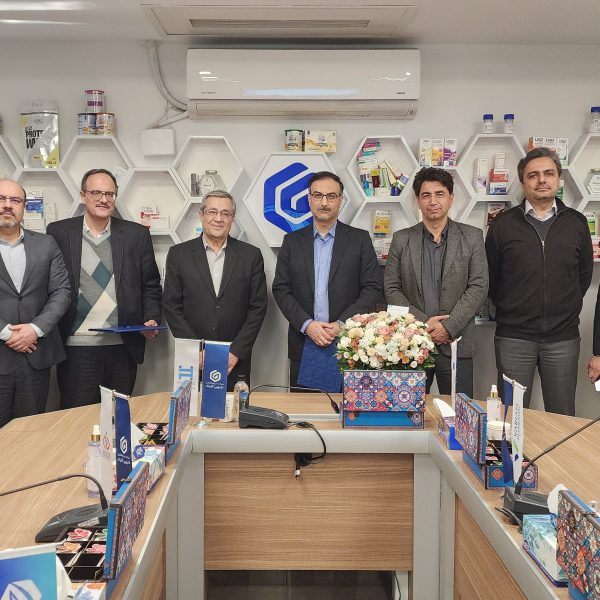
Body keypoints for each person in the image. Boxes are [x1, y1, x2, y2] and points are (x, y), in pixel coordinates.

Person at [486, 147, 593, 415]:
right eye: (533, 175)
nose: (542, 180)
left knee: (562, 416)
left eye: (549, 173)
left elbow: (583, 277)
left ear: (558, 179)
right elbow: (492, 278)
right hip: (514, 337)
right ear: (523, 183)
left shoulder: (577, 223)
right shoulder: (502, 225)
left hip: (562, 338)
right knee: (511, 416)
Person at [46, 168, 162, 408]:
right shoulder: (58, 232)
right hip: (75, 346)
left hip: (122, 346)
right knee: (76, 419)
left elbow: (150, 284)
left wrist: (151, 318)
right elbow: (50, 284)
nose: (104, 199)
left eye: (110, 194)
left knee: (117, 418)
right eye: (96, 193)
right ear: (83, 195)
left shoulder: (136, 234)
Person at [272, 171, 382, 388]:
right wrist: (307, 325)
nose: (324, 202)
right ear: (309, 199)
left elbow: (372, 287)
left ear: (340, 200)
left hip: (349, 343)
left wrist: (343, 324)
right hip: (304, 342)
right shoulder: (292, 242)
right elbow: (281, 289)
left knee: (346, 407)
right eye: (318, 195)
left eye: (331, 196)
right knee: (305, 407)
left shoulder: (359, 239)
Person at [383, 167, 488, 396]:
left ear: (451, 198)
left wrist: (448, 327)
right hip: (410, 344)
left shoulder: (472, 236)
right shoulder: (402, 239)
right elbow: (391, 288)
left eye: (440, 194)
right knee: (409, 409)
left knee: (459, 411)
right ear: (418, 201)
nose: (433, 201)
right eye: (426, 195)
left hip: (457, 342)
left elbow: (479, 286)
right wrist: (424, 325)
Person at [163, 190, 267, 391]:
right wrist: (195, 350)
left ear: (232, 218)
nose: (218, 218)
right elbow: (171, 305)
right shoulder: (178, 254)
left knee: (233, 409)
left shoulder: (251, 256)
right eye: (212, 212)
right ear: (201, 215)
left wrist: (236, 351)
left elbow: (258, 307)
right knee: (191, 408)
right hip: (193, 359)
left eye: (225, 213)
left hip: (234, 360)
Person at [0, 179, 70, 426]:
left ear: (23, 206)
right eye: (1, 199)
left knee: (31, 432)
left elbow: (62, 291)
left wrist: (35, 329)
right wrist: (7, 333)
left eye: (15, 200)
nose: (8, 205)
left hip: (36, 354)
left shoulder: (46, 244)